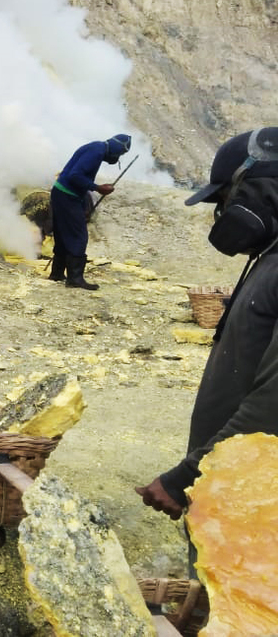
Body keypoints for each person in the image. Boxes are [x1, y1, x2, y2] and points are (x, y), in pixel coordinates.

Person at [136, 128, 278, 560]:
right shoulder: (270, 257)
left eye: (225, 202)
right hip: (236, 487)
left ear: (255, 188)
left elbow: (272, 402)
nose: (223, 216)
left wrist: (188, 476)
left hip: (253, 497)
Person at [49, 134, 132, 289]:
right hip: (68, 195)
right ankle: (75, 279)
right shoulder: (97, 152)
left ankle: (57, 273)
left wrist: (83, 207)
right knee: (78, 236)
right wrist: (97, 188)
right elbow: (75, 176)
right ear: (117, 149)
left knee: (62, 233)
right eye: (120, 154)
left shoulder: (95, 147)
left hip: (60, 192)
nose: (118, 158)